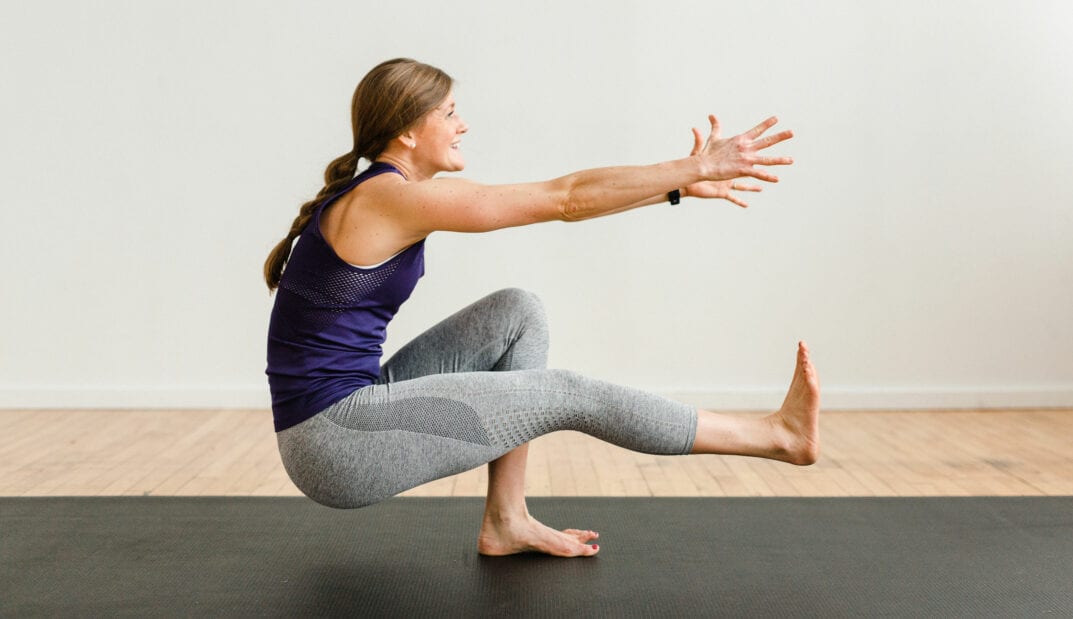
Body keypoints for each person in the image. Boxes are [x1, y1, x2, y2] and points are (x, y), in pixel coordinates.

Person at [264, 58, 820, 558]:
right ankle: (775, 437)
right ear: (408, 131)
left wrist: (672, 188)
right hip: (335, 442)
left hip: (346, 413)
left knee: (517, 313)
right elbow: (566, 197)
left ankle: (508, 520)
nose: (462, 125)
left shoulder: (383, 192)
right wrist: (690, 168)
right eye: (450, 112)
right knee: (566, 393)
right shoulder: (389, 198)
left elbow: (572, 197)